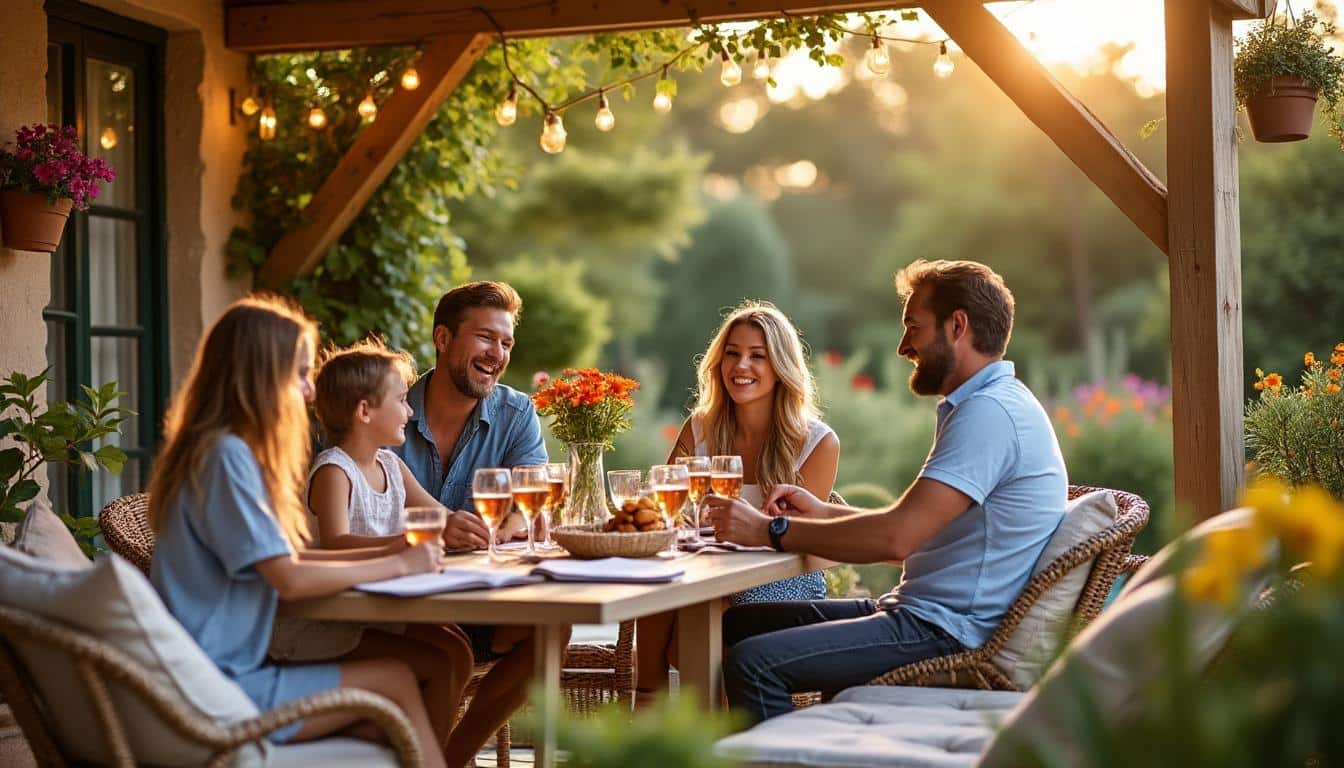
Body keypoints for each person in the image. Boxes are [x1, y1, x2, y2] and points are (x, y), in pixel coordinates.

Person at [702, 259, 1067, 725]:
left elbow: (897, 538)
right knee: (738, 623)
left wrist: (772, 531)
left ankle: (795, 756)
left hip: (943, 630)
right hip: (925, 611)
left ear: (958, 326)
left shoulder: (990, 414)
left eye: (913, 326)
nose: (902, 346)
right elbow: (915, 534)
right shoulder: (985, 405)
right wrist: (820, 513)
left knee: (754, 664)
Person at [146, 295, 454, 767]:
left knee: (384, 725)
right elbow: (287, 579)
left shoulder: (215, 451)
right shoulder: (227, 459)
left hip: (214, 674)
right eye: (301, 375)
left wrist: (394, 552)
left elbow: (291, 558)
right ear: (260, 376)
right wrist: (398, 563)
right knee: (396, 678)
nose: (310, 392)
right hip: (217, 687)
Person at [272, 337, 502, 761]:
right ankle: (417, 755)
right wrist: (401, 547)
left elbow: (439, 518)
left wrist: (466, 526)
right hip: (326, 620)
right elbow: (336, 542)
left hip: (375, 610)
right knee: (438, 662)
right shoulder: (334, 470)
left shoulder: (391, 466)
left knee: (457, 650)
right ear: (365, 412)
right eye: (401, 400)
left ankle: (427, 753)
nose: (411, 412)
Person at [390, 280, 570, 761]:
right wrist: (435, 527)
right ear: (443, 338)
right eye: (486, 338)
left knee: (551, 629)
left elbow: (530, 504)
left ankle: (450, 758)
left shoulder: (516, 412)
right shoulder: (386, 412)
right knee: (446, 647)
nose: (498, 353)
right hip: (395, 603)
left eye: (507, 342)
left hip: (470, 595)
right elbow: (356, 509)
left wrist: (498, 526)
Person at [634, 300, 840, 705]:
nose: (740, 366)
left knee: (702, 621)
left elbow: (801, 538)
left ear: (781, 366)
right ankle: (648, 707)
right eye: (732, 353)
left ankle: (690, 729)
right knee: (657, 591)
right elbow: (666, 506)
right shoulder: (701, 428)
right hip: (707, 573)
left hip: (784, 578)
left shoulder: (817, 442)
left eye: (757, 356)